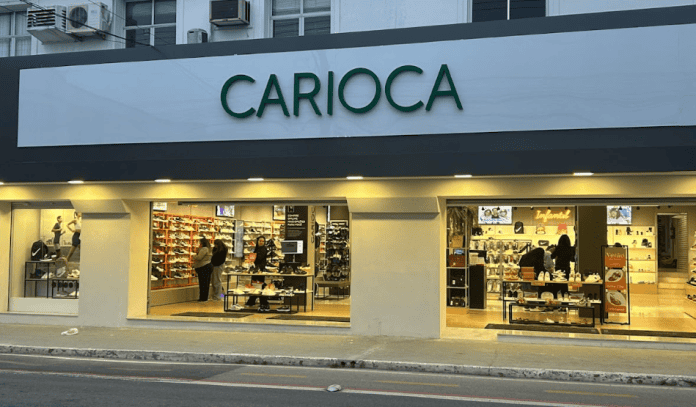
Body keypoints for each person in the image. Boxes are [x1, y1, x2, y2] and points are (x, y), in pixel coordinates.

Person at [246, 236, 269, 310]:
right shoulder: (256, 248)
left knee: (259, 284)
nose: (261, 242)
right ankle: (256, 301)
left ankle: (261, 301)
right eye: (260, 241)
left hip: (260, 269)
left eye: (262, 241)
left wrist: (253, 258)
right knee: (255, 284)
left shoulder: (263, 249)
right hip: (256, 269)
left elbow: (259, 258)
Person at [192, 237, 213, 302]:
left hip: (203, 267)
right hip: (208, 266)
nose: (199, 244)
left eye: (200, 243)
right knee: (206, 283)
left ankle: (202, 298)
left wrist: (193, 255)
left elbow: (199, 258)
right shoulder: (209, 249)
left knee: (202, 283)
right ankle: (204, 298)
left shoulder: (204, 249)